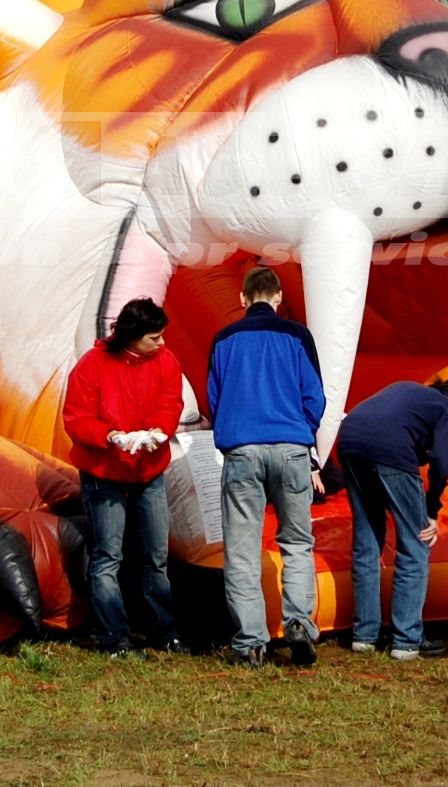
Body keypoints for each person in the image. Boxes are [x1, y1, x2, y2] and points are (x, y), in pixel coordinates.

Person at [206, 266, 325, 668]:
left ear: (242, 299)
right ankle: (298, 623)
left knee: (241, 551)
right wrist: (302, 432)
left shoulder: (223, 340)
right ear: (278, 297)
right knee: (296, 542)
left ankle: (251, 642)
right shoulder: (297, 336)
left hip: (241, 448)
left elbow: (214, 400)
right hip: (291, 447)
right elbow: (315, 396)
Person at [61, 297, 185, 656]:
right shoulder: (92, 366)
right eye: (154, 338)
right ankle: (113, 636)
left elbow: (170, 401)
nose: (161, 344)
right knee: (108, 555)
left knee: (156, 554)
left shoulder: (166, 361)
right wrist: (110, 436)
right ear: (132, 337)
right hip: (104, 471)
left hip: (149, 470)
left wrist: (159, 431)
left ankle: (163, 630)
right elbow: (77, 418)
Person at [337, 375, 448, 660]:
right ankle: (407, 639)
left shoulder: (405, 388)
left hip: (350, 443)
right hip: (391, 452)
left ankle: (364, 635)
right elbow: (441, 460)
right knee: (415, 545)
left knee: (366, 543)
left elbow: (400, 428)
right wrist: (431, 508)